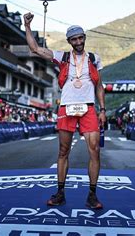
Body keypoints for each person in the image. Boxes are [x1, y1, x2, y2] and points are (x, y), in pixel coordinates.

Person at [23, 12, 106, 210]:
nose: (78, 42)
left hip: (88, 108)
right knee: (63, 151)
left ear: (84, 38)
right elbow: (34, 49)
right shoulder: (63, 56)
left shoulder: (94, 58)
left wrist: (103, 109)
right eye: (74, 39)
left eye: (81, 38)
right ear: (69, 41)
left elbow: (99, 86)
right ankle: (60, 193)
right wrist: (26, 26)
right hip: (67, 107)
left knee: (95, 151)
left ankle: (92, 195)